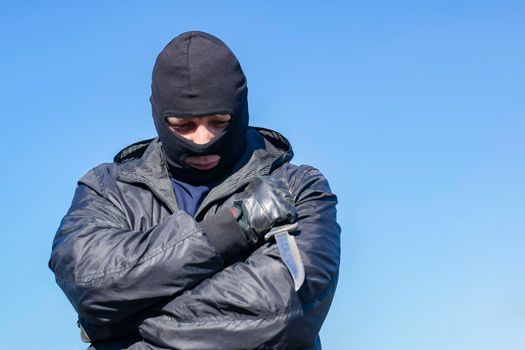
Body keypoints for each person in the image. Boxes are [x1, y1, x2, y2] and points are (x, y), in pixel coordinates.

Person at [49, 31, 340, 350]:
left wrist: (120, 326)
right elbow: (88, 282)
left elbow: (282, 311)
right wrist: (231, 229)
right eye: (182, 125)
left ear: (241, 109)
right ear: (159, 118)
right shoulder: (108, 188)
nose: (202, 140)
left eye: (219, 121)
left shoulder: (297, 186)